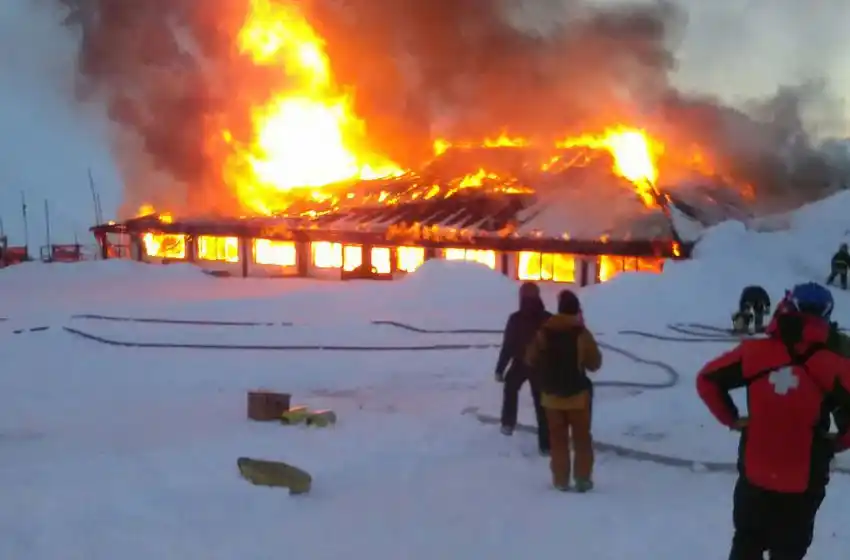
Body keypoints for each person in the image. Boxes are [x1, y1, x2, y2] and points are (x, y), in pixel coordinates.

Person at [696, 282, 850, 560]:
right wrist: (839, 442)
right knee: (789, 551)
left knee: (747, 543)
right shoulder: (834, 364)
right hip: (803, 482)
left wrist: (732, 418)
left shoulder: (753, 353)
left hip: (755, 475)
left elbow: (707, 380)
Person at [525, 289, 602, 492]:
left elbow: (530, 358)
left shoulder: (544, 331)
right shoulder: (581, 334)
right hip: (577, 397)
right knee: (582, 439)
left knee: (558, 440)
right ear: (576, 310)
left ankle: (560, 480)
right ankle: (582, 479)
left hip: (551, 398)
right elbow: (595, 363)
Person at [495, 282, 552, 454]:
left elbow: (508, 346)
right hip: (541, 366)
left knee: (510, 386)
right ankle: (546, 445)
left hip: (520, 363)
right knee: (542, 404)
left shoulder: (516, 319)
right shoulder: (548, 318)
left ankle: (508, 423)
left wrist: (500, 369)